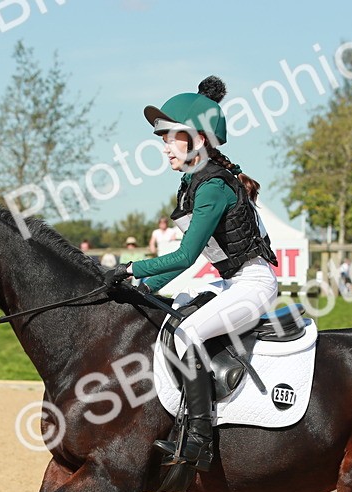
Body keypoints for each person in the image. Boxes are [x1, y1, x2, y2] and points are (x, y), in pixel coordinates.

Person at [103, 76, 278, 471]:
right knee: (172, 312)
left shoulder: (213, 186)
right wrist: (141, 287)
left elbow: (184, 256)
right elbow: (191, 259)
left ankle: (199, 440)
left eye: (171, 138)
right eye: (162, 138)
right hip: (230, 281)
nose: (164, 147)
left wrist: (130, 269)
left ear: (198, 140)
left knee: (189, 333)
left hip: (254, 284)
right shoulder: (193, 183)